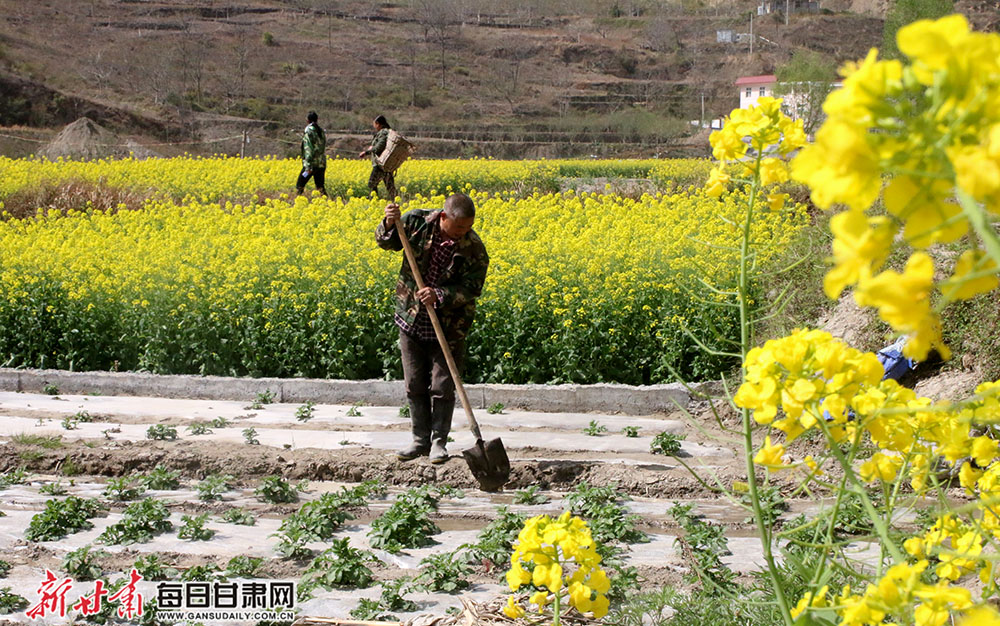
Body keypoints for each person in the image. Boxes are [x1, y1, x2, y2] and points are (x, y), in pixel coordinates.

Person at [375, 193, 489, 463]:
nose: (464, 232)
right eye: (459, 227)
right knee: (414, 383)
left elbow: (472, 288)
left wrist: (439, 295)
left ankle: (439, 442)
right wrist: (389, 224)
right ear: (443, 217)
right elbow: (386, 242)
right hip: (412, 316)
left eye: (468, 227)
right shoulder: (416, 221)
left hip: (450, 324)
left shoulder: (474, 248)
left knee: (442, 385)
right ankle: (419, 440)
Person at [359, 114, 397, 200]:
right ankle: (396, 202)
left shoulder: (383, 132)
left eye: (374, 124)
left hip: (380, 163)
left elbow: (380, 146)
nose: (374, 126)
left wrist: (366, 152)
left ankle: (373, 201)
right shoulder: (387, 132)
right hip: (387, 162)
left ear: (377, 123)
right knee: (390, 186)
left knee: (372, 184)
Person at [296, 111, 327, 196]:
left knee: (300, 185)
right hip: (321, 164)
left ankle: (297, 200)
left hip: (311, 164)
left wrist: (308, 166)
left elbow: (308, 148)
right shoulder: (321, 131)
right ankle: (327, 203)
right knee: (320, 187)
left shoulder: (309, 131)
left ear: (307, 120)